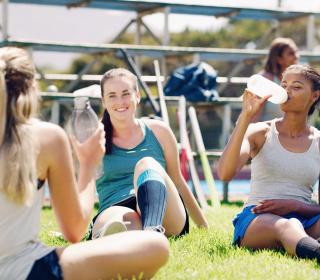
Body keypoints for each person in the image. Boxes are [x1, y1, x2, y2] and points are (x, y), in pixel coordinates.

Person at [0, 47, 169, 280]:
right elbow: (74, 230)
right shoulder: (46, 138)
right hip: (27, 269)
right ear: (31, 88)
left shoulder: (155, 131)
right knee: (154, 245)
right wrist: (88, 165)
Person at [218, 64, 320, 264]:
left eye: (296, 87)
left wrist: (295, 206)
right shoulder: (259, 131)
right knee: (289, 225)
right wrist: (245, 117)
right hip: (258, 219)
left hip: (307, 221)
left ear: (314, 96)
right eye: (284, 85)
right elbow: (225, 173)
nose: (286, 91)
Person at [90, 67, 208, 240]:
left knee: (147, 163)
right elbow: (82, 188)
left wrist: (203, 226)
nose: (120, 101)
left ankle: (152, 233)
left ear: (137, 96)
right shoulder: (94, 138)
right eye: (112, 95)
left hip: (166, 211)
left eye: (125, 93)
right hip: (117, 207)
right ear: (104, 101)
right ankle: (117, 236)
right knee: (121, 222)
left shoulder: (159, 131)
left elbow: (177, 181)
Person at [257, 37, 299, 121]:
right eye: (291, 53)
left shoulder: (300, 80)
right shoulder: (265, 79)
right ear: (279, 59)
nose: (296, 57)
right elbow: (253, 116)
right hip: (266, 133)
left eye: (296, 52)